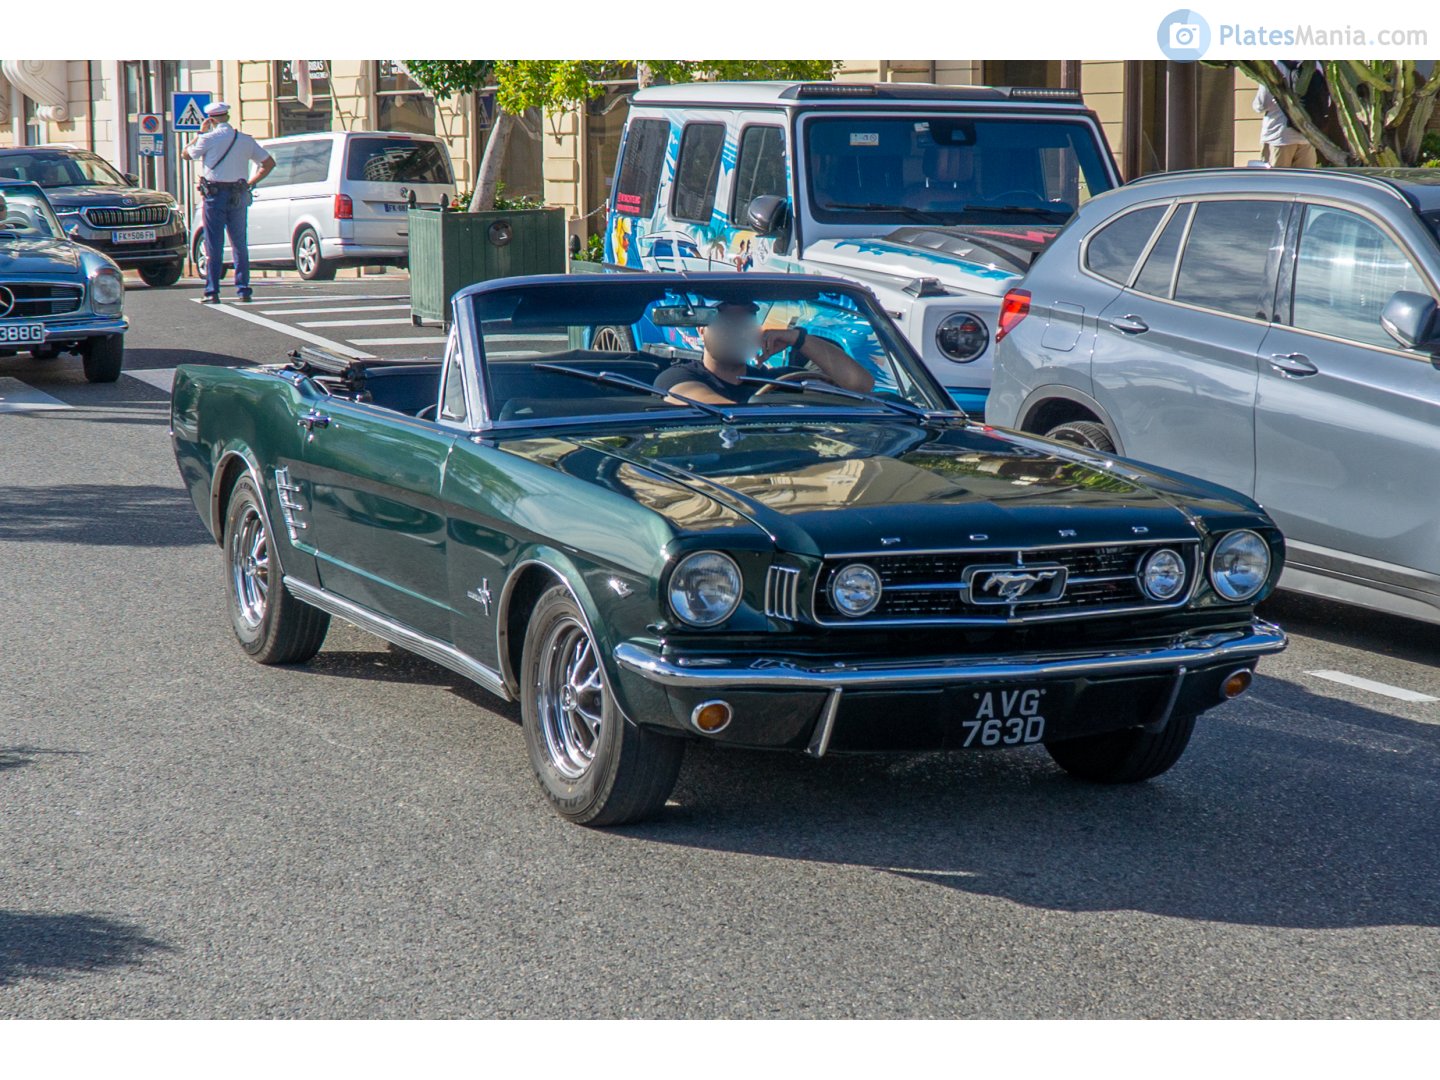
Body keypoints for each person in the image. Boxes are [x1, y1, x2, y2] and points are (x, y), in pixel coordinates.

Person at [654, 299, 876, 405]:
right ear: (702, 330)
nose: (737, 328)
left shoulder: (780, 379)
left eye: (745, 320)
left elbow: (860, 385)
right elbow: (713, 407)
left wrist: (799, 339)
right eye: (727, 319)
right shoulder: (678, 377)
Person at [182, 101, 275, 303]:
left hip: (215, 195)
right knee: (239, 243)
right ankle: (243, 289)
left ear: (211, 119)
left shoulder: (207, 139)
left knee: (214, 244)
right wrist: (250, 183)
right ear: (228, 117)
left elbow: (185, 154)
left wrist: (199, 133)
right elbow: (268, 163)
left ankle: (212, 291)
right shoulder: (245, 140)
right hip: (238, 193)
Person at [1253, 66, 1317, 169]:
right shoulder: (1313, 64)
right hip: (1308, 134)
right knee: (1304, 181)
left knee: (1277, 181)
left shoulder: (1274, 65)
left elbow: (1262, 103)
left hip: (1279, 134)